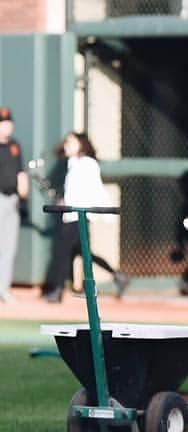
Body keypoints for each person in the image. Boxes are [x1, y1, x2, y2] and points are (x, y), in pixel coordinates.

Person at [41, 133, 128, 303]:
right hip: (71, 214)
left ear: (81, 144)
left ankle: (57, 291)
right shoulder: (72, 164)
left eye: (71, 142)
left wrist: (105, 216)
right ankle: (118, 276)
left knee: (63, 253)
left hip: (78, 216)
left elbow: (96, 189)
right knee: (83, 252)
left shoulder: (88, 164)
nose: (67, 145)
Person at [0, 106, 28, 304]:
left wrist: (23, 187)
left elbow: (21, 171)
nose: (6, 126)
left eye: (8, 123)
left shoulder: (14, 146)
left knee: (9, 247)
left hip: (12, 199)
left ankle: (3, 288)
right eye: (3, 123)